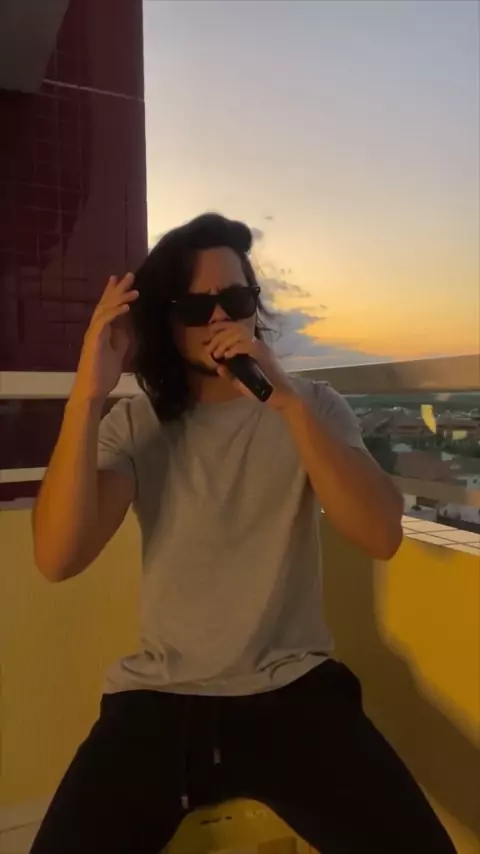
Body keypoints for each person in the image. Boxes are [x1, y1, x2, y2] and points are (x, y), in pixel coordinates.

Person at [31, 214, 456, 853]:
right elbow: (58, 556)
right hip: (159, 698)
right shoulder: (136, 425)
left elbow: (380, 534)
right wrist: (86, 398)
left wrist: (286, 403)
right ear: (165, 322)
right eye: (195, 308)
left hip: (294, 693)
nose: (220, 320)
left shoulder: (311, 404)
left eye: (236, 300)